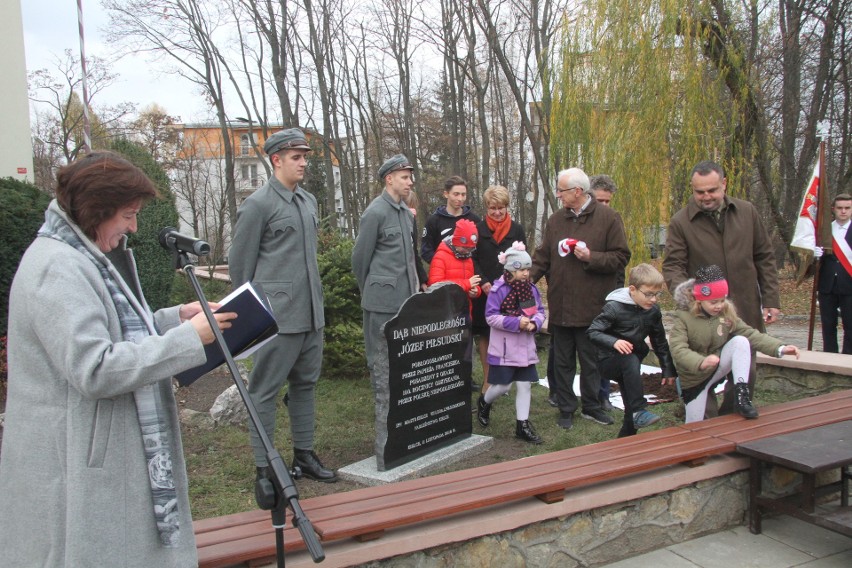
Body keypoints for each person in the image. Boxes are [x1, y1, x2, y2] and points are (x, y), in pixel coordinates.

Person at [0, 151, 237, 566]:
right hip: (74, 460)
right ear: (97, 209)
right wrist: (186, 340)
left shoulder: (81, 254)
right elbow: (94, 367)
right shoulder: (57, 267)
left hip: (101, 451)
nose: (134, 226)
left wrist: (172, 319)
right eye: (128, 214)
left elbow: (114, 328)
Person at [229, 128, 336, 483]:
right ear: (276, 160)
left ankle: (304, 455)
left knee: (305, 385)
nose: (304, 162)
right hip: (276, 317)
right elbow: (241, 268)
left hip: (309, 314)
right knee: (264, 391)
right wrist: (252, 317)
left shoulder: (307, 202)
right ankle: (266, 467)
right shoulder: (258, 204)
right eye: (296, 157)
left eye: (305, 156)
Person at [662, 160, 781, 416]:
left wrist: (771, 298)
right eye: (699, 192)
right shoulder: (681, 221)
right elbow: (673, 266)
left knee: (745, 370)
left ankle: (733, 420)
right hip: (702, 313)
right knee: (703, 371)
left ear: (724, 184)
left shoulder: (747, 212)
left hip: (744, 306)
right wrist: (689, 297)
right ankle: (704, 422)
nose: (706, 197)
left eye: (712, 190)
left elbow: (764, 257)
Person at [531, 167, 631, 430]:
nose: (558, 195)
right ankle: (566, 408)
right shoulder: (556, 220)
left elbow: (621, 257)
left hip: (593, 307)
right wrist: (522, 281)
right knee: (562, 362)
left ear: (577, 191)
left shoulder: (608, 218)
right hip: (562, 305)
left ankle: (592, 406)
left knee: (591, 362)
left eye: (561, 191)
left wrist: (591, 258)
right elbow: (542, 257)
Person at [669, 265, 800, 423]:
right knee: (695, 425)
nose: (719, 305)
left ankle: (742, 395)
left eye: (722, 300)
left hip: (716, 366)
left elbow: (751, 334)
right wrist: (700, 362)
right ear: (699, 300)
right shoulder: (683, 318)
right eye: (713, 302)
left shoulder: (726, 314)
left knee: (740, 341)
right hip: (694, 377)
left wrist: (780, 348)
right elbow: (678, 349)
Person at [352, 154, 421, 396]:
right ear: (389, 179)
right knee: (381, 361)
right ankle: (384, 409)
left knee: (403, 358)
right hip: (382, 303)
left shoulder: (404, 212)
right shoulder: (375, 212)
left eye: (410, 177)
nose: (409, 182)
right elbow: (360, 259)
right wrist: (372, 290)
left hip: (406, 300)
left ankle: (401, 408)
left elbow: (410, 258)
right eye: (404, 177)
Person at [587, 264, 677, 437]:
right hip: (608, 361)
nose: (653, 299)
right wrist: (614, 342)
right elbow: (592, 331)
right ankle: (639, 411)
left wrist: (667, 369)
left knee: (630, 403)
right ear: (633, 289)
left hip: (631, 365)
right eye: (649, 294)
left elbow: (659, 342)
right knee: (629, 358)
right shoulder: (614, 308)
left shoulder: (652, 312)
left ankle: (627, 438)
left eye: (657, 294)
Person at [476, 242, 546, 444]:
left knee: (525, 385)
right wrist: (515, 322)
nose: (526, 273)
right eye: (522, 269)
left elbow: (540, 311)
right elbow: (491, 317)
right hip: (505, 349)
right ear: (510, 270)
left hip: (525, 348)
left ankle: (522, 425)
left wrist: (535, 322)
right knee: (503, 386)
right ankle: (484, 401)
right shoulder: (499, 290)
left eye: (527, 269)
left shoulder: (530, 290)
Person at [472, 185, 527, 394]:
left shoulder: (517, 229)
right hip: (484, 293)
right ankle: (488, 379)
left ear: (506, 207)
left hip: (509, 292)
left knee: (507, 335)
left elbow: (523, 259)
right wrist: (483, 281)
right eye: (493, 208)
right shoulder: (478, 229)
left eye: (501, 208)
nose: (497, 212)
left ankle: (504, 378)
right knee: (486, 335)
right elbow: (473, 258)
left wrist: (513, 282)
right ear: (487, 207)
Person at [589, 173, 632, 406]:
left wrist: (618, 292)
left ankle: (603, 394)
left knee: (606, 345)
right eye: (599, 200)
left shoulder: (614, 221)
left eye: (607, 201)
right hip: (583, 294)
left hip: (609, 293)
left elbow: (621, 257)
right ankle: (558, 390)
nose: (604, 205)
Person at [814, 194, 852, 354]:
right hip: (827, 284)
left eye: (847, 208)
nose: (843, 211)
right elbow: (815, 263)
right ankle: (829, 357)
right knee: (828, 325)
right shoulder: (825, 231)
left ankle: (848, 359)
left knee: (850, 326)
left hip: (849, 284)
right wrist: (815, 254)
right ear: (833, 209)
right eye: (840, 208)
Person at [421, 175, 482, 263]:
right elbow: (426, 251)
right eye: (456, 194)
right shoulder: (434, 221)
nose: (460, 198)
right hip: (443, 273)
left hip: (469, 273)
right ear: (446, 194)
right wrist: (442, 265)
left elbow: (480, 249)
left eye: (463, 195)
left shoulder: (474, 220)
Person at [427, 218, 483, 305]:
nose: (467, 251)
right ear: (455, 241)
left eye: (471, 248)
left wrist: (476, 291)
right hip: (445, 311)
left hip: (464, 311)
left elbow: (471, 282)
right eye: (464, 248)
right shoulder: (441, 257)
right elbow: (435, 286)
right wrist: (466, 284)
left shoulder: (468, 259)